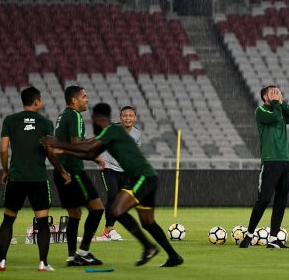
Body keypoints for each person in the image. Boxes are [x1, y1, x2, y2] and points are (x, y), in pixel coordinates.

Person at [42, 103, 183, 267]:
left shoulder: (112, 130)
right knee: (147, 222)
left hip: (142, 177)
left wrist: (59, 144)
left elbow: (87, 146)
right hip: (147, 177)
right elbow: (90, 152)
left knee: (116, 209)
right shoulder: (110, 132)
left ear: (97, 118)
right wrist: (65, 150)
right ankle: (174, 257)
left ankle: (149, 247)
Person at [0, 87, 71, 272]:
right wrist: (61, 170)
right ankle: (43, 263)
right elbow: (51, 153)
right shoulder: (45, 123)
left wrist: (5, 170)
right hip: (38, 178)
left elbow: (3, 149)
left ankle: (2, 262)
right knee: (43, 223)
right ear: (37, 101)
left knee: (8, 220)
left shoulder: (10, 120)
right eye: (41, 99)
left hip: (16, 178)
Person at [239, 86, 289, 248]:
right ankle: (249, 235)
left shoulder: (279, 109)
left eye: (279, 92)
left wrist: (283, 104)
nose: (278, 94)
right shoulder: (261, 111)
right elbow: (274, 117)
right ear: (265, 97)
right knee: (264, 199)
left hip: (285, 161)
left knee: (281, 199)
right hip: (270, 161)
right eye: (273, 93)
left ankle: (273, 238)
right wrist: (276, 104)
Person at [53, 86, 105, 266]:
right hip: (73, 171)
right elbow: (76, 143)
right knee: (97, 209)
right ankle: (83, 252)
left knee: (74, 214)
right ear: (74, 100)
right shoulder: (75, 115)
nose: (87, 99)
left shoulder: (62, 115)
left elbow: (67, 145)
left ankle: (72, 256)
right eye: (84, 96)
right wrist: (94, 153)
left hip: (61, 171)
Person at [99, 106, 142, 240]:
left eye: (130, 116)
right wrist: (99, 158)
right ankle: (110, 228)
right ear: (120, 117)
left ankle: (107, 230)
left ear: (135, 118)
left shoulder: (137, 133)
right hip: (108, 168)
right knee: (112, 196)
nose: (128, 118)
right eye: (125, 115)